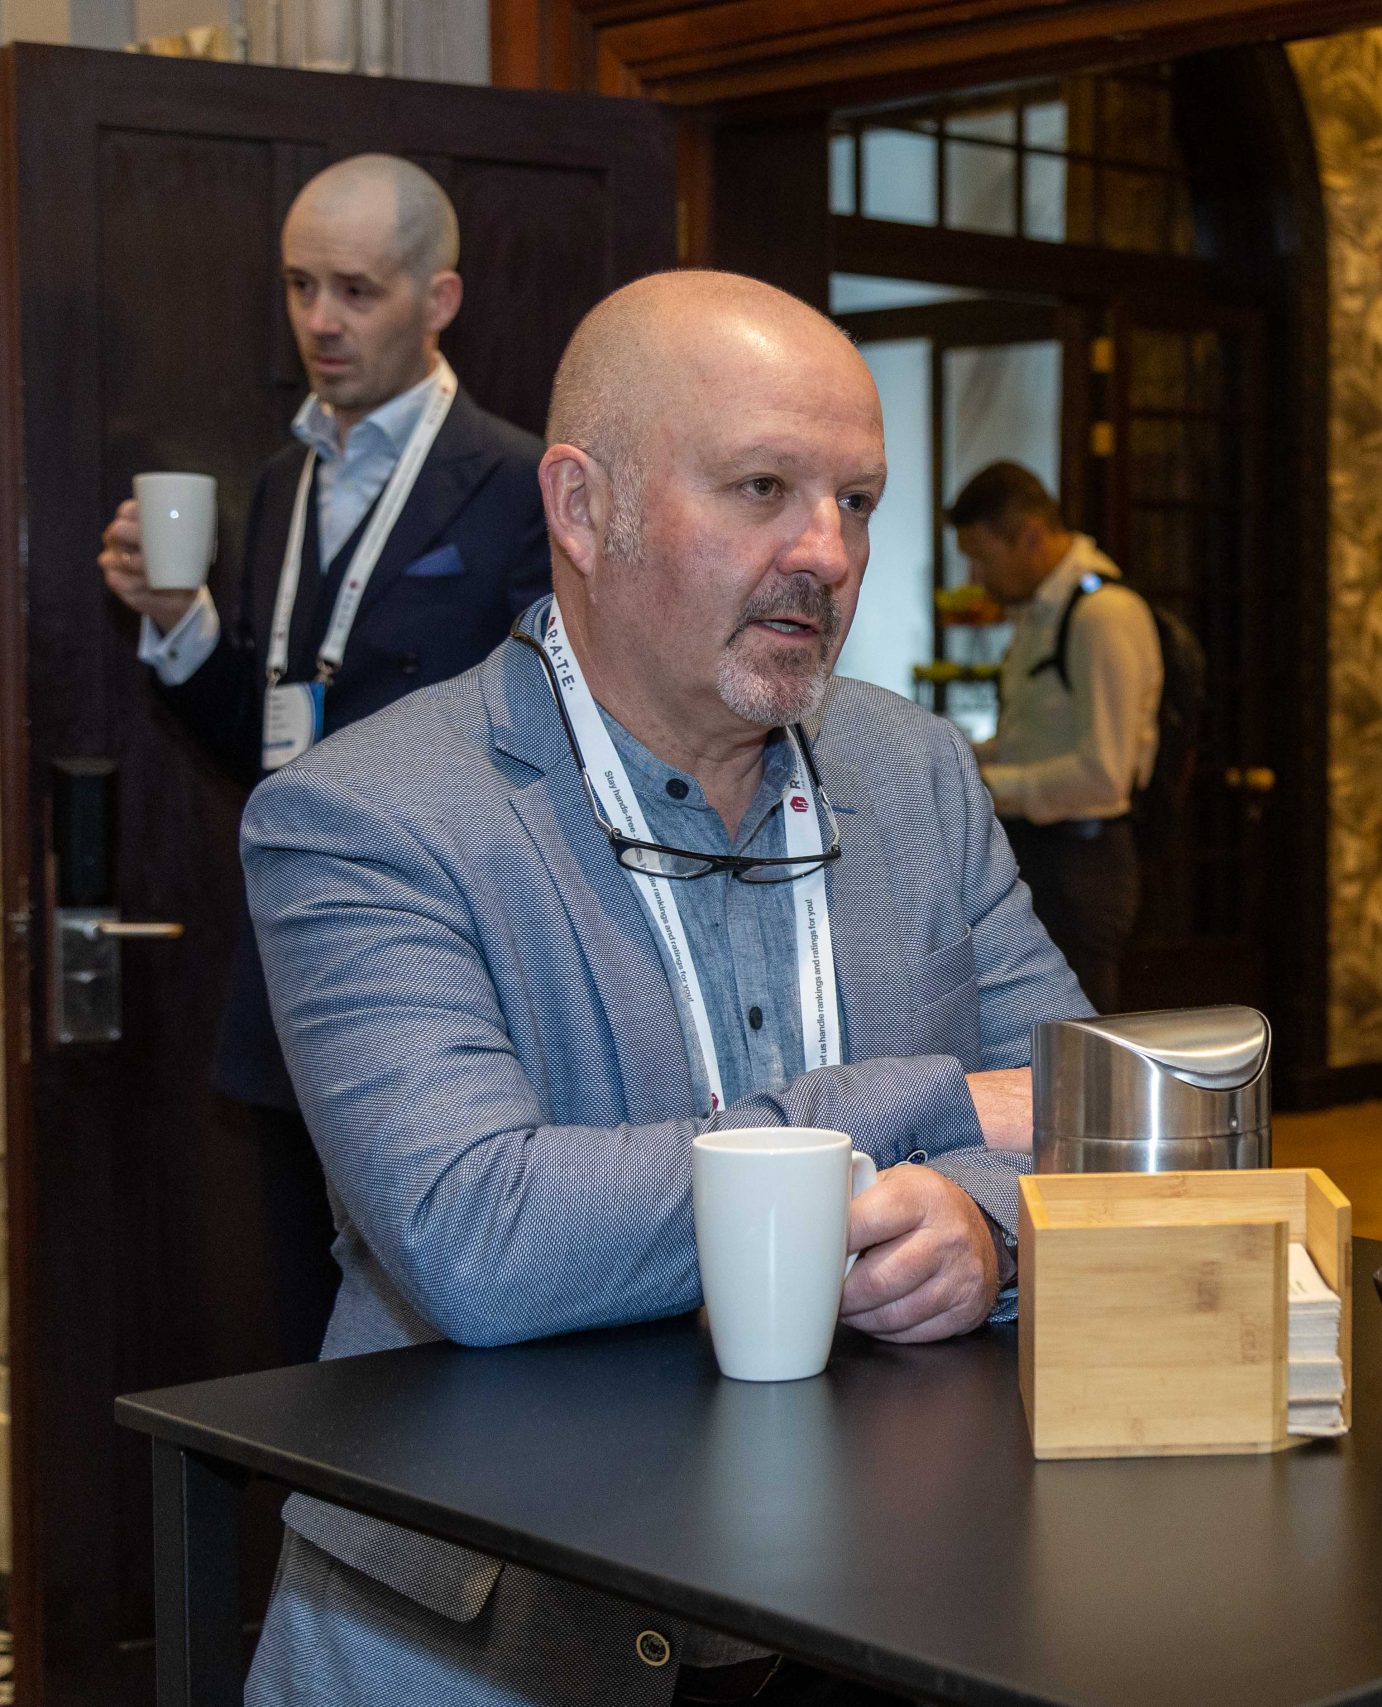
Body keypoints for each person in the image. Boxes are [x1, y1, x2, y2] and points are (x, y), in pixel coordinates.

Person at [237, 270, 1085, 1706]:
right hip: (494, 1633)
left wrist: (987, 1227)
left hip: (884, 1605)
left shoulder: (919, 773)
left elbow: (1093, 1113)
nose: (826, 552)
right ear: (582, 508)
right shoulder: (368, 814)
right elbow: (478, 1232)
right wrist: (930, 1108)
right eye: (762, 488)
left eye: (857, 502)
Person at [96, 153, 551, 1363]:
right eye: (300, 287)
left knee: (459, 1347)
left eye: (356, 290)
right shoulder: (282, 477)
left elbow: (546, 739)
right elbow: (272, 746)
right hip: (297, 974)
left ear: (439, 300)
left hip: (458, 977)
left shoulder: (521, 482)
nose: (320, 321)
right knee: (314, 1349)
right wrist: (181, 625)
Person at [950, 462, 1162, 1012]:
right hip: (1041, 851)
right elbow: (1029, 741)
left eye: (981, 557)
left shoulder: (1103, 614)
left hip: (1082, 865)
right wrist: (947, 756)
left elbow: (1104, 775)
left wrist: (985, 787)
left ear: (1030, 537)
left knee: (1076, 1042)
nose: (975, 577)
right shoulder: (1044, 613)